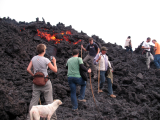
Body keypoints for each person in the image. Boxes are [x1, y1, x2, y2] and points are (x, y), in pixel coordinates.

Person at [26, 44, 57, 120]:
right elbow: (55, 70)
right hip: (45, 82)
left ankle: (30, 118)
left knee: (34, 101)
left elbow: (28, 69)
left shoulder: (33, 58)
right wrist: (54, 62)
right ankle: (52, 118)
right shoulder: (46, 60)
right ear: (44, 50)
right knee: (49, 100)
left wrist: (34, 75)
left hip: (36, 82)